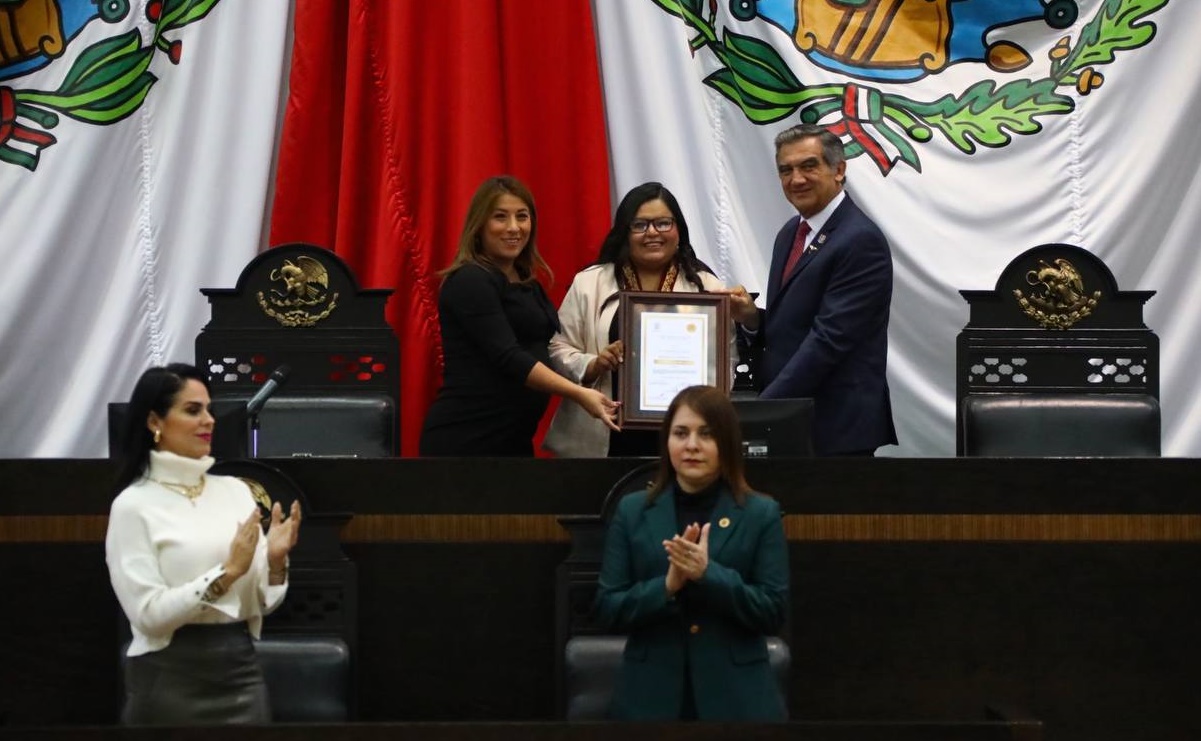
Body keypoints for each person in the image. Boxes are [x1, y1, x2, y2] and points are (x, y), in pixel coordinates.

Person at [106, 363, 302, 725]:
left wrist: (274, 562)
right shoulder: (133, 506)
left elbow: (262, 603)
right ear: (154, 422)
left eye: (210, 409)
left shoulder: (236, 492)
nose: (209, 420)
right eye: (193, 410)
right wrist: (225, 575)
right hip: (167, 679)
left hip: (240, 672)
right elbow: (148, 616)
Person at [593, 385, 789, 721]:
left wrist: (708, 574)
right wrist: (666, 587)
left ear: (726, 444)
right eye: (680, 433)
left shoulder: (761, 513)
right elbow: (607, 610)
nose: (692, 445)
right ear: (666, 441)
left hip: (738, 702)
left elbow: (772, 612)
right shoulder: (633, 511)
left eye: (707, 435)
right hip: (649, 701)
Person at [727, 123, 897, 456]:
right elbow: (793, 326)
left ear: (839, 170)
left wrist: (764, 409)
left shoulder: (860, 239)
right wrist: (752, 319)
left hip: (836, 429)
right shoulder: (790, 233)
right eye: (786, 170)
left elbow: (829, 339)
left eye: (808, 166)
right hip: (792, 422)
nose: (796, 179)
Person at [420, 175, 620, 456]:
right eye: (500, 217)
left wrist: (594, 364)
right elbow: (509, 356)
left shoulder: (528, 282)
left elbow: (548, 347)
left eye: (522, 217)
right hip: (467, 440)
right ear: (479, 226)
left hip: (514, 441)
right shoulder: (469, 280)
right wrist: (579, 394)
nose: (514, 228)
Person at [544, 182, 730, 458]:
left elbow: (729, 359)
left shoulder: (707, 288)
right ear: (624, 232)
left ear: (678, 229)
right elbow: (557, 348)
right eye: (640, 225)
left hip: (685, 436)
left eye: (663, 223)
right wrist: (593, 364)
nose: (652, 233)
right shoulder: (590, 282)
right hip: (605, 431)